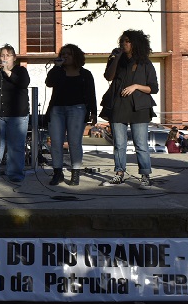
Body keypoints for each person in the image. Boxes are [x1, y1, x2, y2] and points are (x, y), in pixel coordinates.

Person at [99, 29, 159, 189]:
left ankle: (145, 175)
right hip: (118, 106)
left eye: (127, 41)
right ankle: (119, 174)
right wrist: (116, 58)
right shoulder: (116, 60)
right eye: (122, 41)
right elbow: (108, 77)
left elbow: (153, 88)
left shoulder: (145, 63)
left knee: (141, 144)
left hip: (139, 107)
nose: (124, 43)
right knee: (119, 143)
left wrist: (136, 86)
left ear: (135, 43)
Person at [45, 44, 97, 186]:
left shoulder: (85, 74)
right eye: (63, 54)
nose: (65, 56)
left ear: (76, 56)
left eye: (69, 54)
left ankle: (75, 173)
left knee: (74, 142)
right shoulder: (58, 71)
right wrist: (56, 67)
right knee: (55, 142)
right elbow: (49, 83)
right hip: (57, 110)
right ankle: (57, 173)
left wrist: (93, 113)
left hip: (78, 109)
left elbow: (91, 94)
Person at [0, 44, 31, 183]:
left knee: (16, 146)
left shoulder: (21, 71)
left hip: (17, 115)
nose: (5, 58)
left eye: (8, 56)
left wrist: (8, 72)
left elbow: (24, 83)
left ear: (14, 58)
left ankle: (14, 174)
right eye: (2, 55)